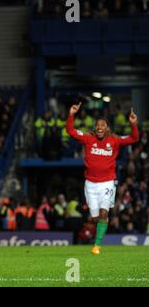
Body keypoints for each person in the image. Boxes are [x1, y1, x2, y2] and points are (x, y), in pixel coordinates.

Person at [66, 102, 139, 255]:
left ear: (107, 128)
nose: (99, 127)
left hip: (107, 182)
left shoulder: (114, 140)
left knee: (104, 213)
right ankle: (96, 233)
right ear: (95, 128)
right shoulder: (88, 139)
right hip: (90, 184)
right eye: (97, 125)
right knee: (95, 217)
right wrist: (71, 114)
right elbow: (70, 131)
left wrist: (133, 124)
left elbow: (134, 138)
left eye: (102, 125)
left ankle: (97, 246)